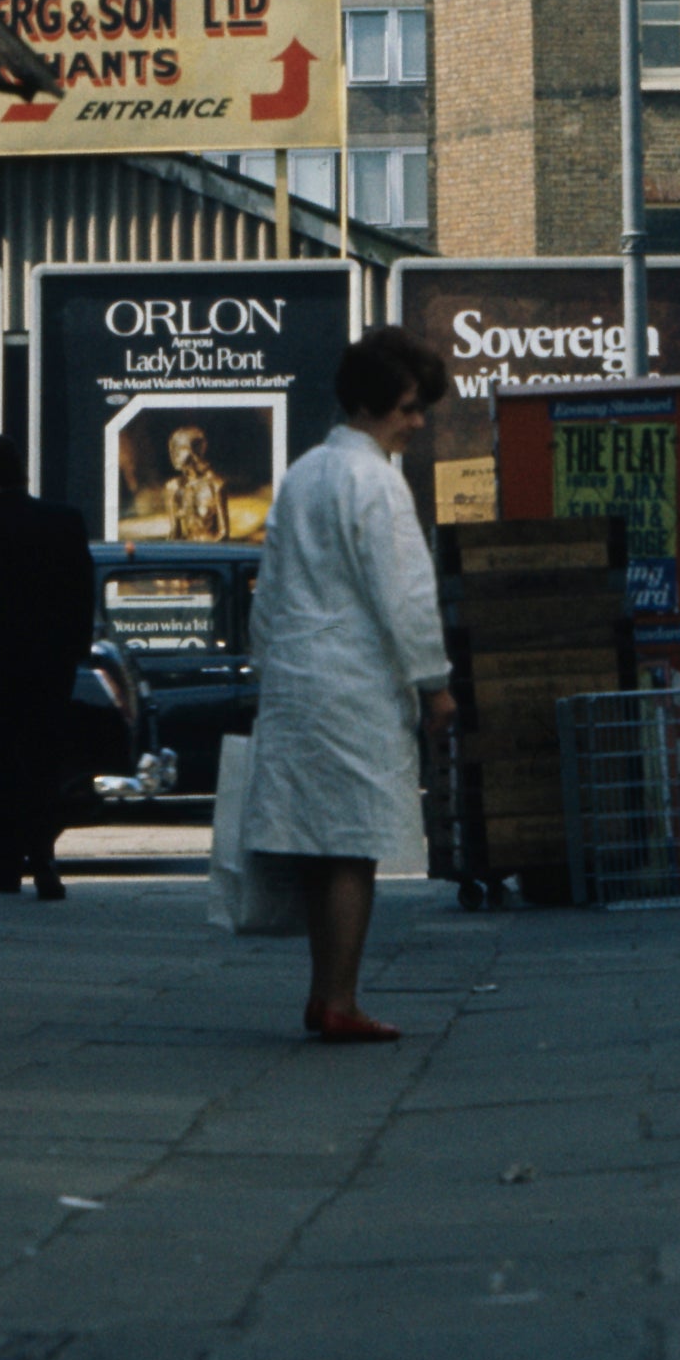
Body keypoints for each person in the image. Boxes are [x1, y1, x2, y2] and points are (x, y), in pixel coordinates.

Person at [224, 325, 455, 1042]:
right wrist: (434, 682)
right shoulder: (377, 482)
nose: (416, 423)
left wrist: (269, 664)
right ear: (372, 404)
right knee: (354, 845)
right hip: (355, 684)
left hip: (297, 679)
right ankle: (342, 998)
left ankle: (323, 991)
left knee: (319, 844)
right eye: (409, 408)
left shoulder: (302, 473)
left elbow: (272, 589)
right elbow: (405, 594)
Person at [0, 429, 96, 897]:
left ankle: (4, 868)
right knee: (44, 768)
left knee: (0, 769)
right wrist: (74, 654)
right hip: (50, 670)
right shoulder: (65, 522)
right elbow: (82, 597)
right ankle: (46, 863)